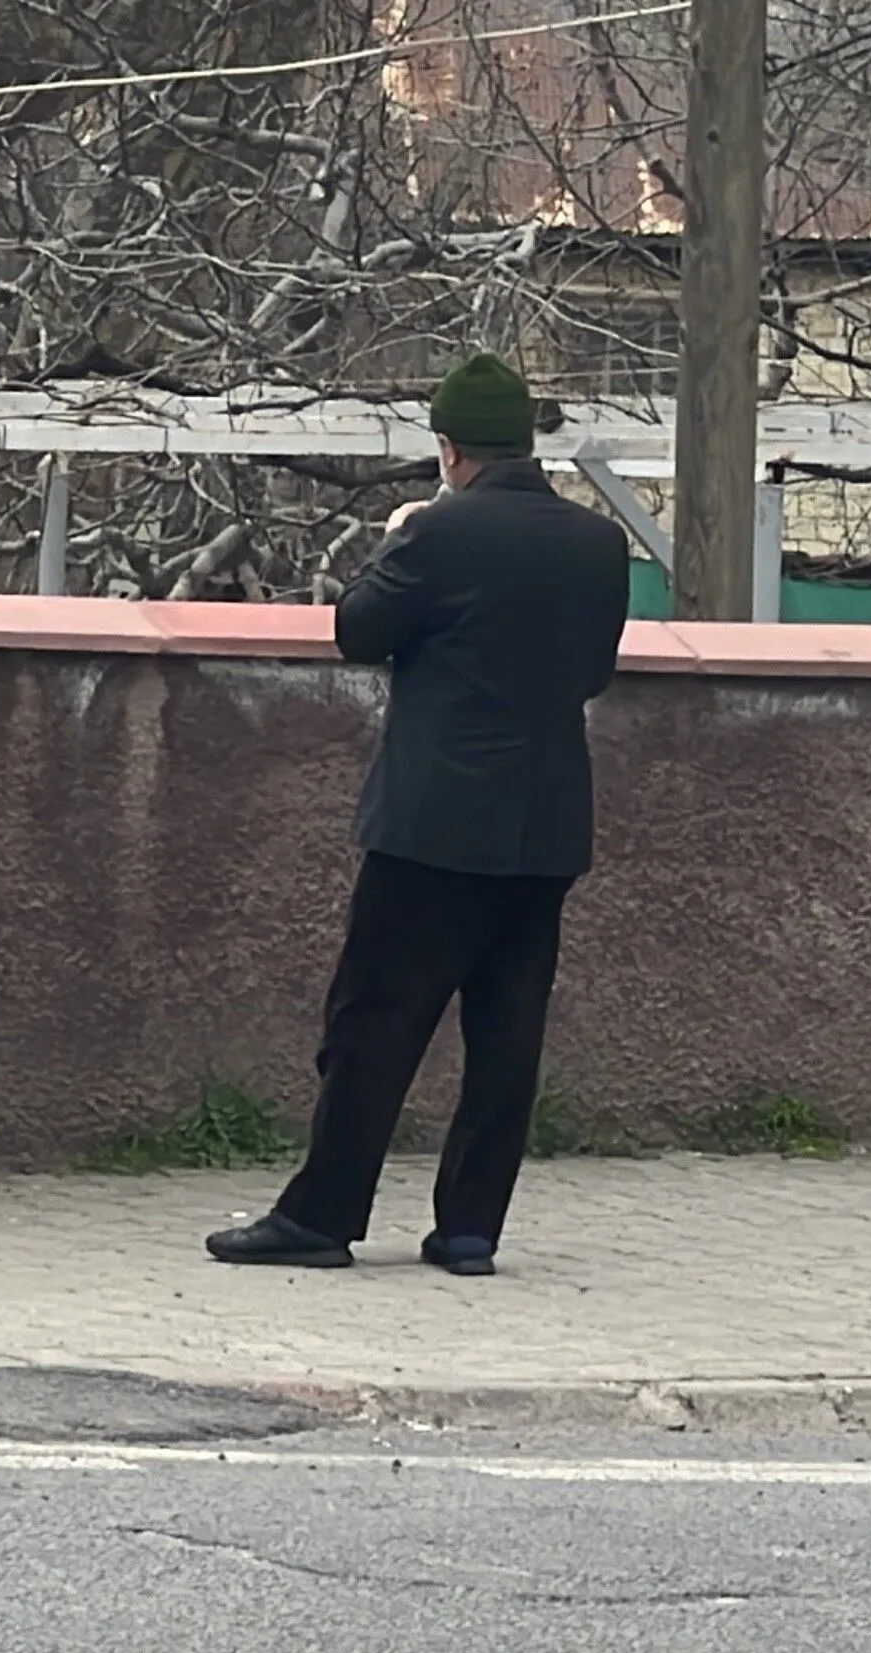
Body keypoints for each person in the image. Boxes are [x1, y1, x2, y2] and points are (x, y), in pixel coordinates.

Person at [205, 350, 631, 1278]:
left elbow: (359, 628)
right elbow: (592, 672)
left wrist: (400, 536)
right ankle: (470, 1230)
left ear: (448, 450)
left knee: (373, 1023)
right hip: (546, 828)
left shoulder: (440, 534)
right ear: (526, 445)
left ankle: (323, 1218)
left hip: (434, 829)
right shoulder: (599, 547)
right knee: (507, 1036)